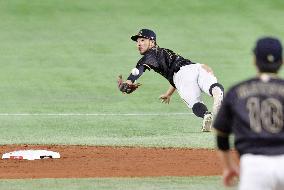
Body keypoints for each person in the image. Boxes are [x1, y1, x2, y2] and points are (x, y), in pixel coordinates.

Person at [118, 29, 224, 132]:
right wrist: (168, 94)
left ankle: (206, 115)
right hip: (198, 67)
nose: (139, 44)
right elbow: (181, 71)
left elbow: (138, 71)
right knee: (211, 86)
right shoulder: (165, 51)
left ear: (152, 42)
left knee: (194, 103)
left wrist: (127, 83)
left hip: (182, 77)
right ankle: (216, 92)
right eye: (137, 41)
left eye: (142, 40)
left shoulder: (148, 56)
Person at [213, 37, 284, 190]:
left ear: (254, 60)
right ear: (282, 61)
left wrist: (229, 166)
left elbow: (221, 133)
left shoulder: (237, 91)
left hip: (254, 166)